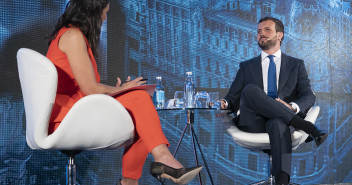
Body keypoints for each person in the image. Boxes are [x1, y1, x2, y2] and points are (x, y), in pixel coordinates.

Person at [46, 1, 202, 185]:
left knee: (142, 115)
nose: (105, 18)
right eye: (105, 13)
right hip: (65, 117)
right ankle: (158, 161)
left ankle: (134, 179)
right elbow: (90, 89)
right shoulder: (73, 36)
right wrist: (122, 90)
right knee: (139, 99)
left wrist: (118, 90)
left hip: (77, 109)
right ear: (93, 11)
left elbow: (87, 88)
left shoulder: (73, 34)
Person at [221, 17, 328, 185]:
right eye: (258, 31)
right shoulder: (246, 66)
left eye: (267, 30)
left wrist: (292, 107)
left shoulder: (296, 65)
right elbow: (232, 97)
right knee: (250, 90)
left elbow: (308, 96)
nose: (261, 34)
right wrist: (225, 103)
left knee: (278, 124)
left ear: (280, 35)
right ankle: (308, 127)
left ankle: (282, 181)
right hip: (253, 121)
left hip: (282, 122)